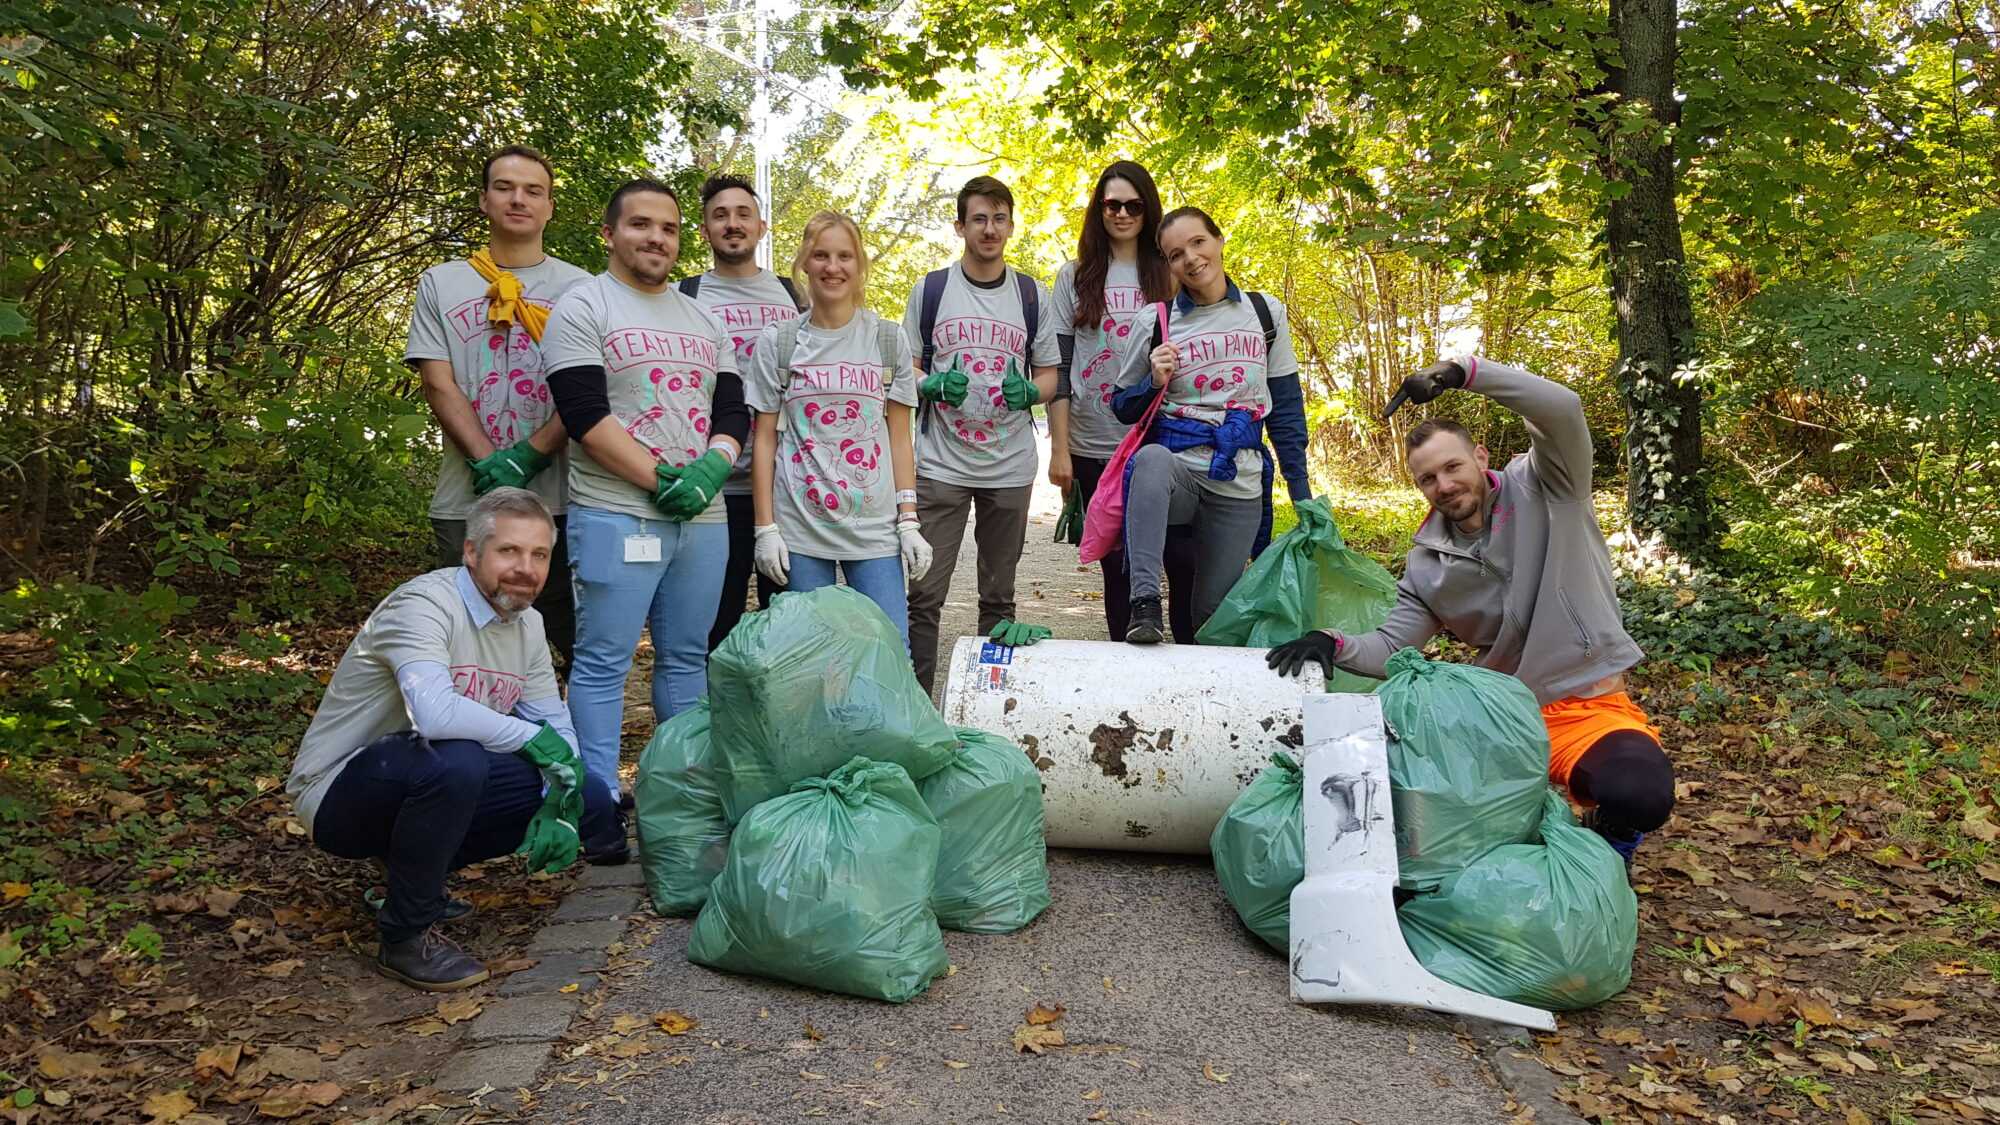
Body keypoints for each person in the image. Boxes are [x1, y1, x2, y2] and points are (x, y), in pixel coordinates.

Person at [1265, 358, 1676, 862]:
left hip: (1585, 707)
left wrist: (1464, 373)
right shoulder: (1426, 563)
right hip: (1496, 719)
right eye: (1427, 478)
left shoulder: (1551, 488)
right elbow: (1394, 646)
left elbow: (1563, 408)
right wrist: (1331, 642)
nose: (1445, 485)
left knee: (1641, 794)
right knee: (1417, 810)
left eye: (1453, 466)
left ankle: (1606, 842)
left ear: (1480, 456)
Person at [284, 489, 622, 991]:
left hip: (426, 783)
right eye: (509, 551)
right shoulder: (423, 604)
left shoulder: (527, 623)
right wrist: (539, 745)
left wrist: (564, 780)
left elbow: (552, 719)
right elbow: (435, 715)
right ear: (471, 552)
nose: (525, 569)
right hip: (338, 793)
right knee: (455, 760)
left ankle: (405, 878)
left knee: (588, 795)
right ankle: (405, 935)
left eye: (539, 555)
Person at [545, 178, 749, 806]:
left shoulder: (702, 317)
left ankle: (681, 795)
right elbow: (583, 414)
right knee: (604, 662)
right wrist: (661, 479)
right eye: (640, 224)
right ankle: (598, 799)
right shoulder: (583, 307)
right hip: (615, 513)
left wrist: (713, 469)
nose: (656, 237)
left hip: (704, 519)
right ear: (609, 234)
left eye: (668, 227)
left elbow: (732, 411)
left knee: (688, 658)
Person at [405, 145, 590, 672]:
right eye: (505, 187)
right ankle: (488, 748)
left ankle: (569, 748)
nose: (519, 199)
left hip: (562, 497)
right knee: (472, 641)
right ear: (484, 200)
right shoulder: (441, 283)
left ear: (550, 206)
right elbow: (438, 382)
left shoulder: (583, 288)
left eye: (533, 191)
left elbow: (585, 391)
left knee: (573, 640)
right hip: (467, 500)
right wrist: (491, 462)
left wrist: (529, 456)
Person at [1107, 207, 1313, 643]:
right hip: (1177, 476)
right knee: (1151, 459)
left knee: (1209, 619)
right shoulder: (1156, 320)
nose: (1191, 259)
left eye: (1198, 242)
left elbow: (1287, 412)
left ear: (1219, 240)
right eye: (1176, 253)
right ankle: (1144, 603)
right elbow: (1122, 405)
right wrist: (1152, 381)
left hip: (1238, 477)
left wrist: (1303, 497)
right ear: (1168, 264)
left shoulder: (1264, 312)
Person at [903, 175, 1060, 693]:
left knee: (999, 595)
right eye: (978, 219)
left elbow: (1051, 375)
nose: (989, 229)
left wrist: (1031, 394)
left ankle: (989, 703)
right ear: (960, 226)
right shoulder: (930, 290)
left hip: (1010, 464)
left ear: (1011, 225)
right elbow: (906, 371)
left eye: (998, 218)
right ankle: (916, 704)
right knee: (924, 593)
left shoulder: (1031, 294)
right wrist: (931, 385)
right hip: (940, 463)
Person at [743, 212, 930, 640]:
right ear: (804, 264)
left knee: (887, 655)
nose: (833, 266)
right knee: (809, 664)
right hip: (802, 532)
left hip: (875, 533)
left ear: (859, 264)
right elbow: (765, 440)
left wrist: (909, 520)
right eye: (821, 255)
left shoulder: (886, 339)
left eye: (844, 256)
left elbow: (899, 440)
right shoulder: (780, 342)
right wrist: (765, 528)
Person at [1050, 161, 1197, 642]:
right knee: (1117, 564)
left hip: (1163, 436)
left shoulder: (1171, 276)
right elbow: (1061, 368)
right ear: (1098, 209)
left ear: (1148, 210)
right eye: (1112, 204)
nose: (1122, 213)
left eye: (1134, 205)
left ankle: (1189, 669)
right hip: (1095, 442)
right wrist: (1060, 449)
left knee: (1178, 559)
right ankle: (1126, 669)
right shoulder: (1073, 278)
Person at [677, 174, 807, 651]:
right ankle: (715, 719)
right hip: (714, 488)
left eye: (743, 214)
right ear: (706, 230)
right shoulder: (685, 296)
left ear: (762, 226)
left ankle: (779, 721)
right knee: (716, 619)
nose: (733, 224)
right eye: (720, 215)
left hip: (786, 487)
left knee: (787, 621)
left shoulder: (794, 297)